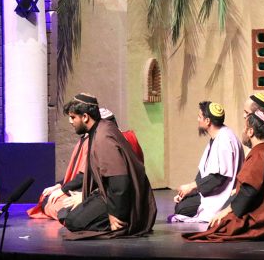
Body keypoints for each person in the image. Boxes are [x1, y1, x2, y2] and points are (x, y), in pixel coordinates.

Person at [183, 109, 264, 242]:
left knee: (221, 224)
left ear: (251, 132)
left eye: (245, 127)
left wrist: (227, 211)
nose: (243, 131)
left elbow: (249, 190)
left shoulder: (260, 153)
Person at [60, 93, 157, 239]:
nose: (70, 121)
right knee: (65, 214)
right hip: (108, 194)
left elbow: (120, 180)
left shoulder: (103, 137)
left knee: (73, 222)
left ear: (85, 117)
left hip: (121, 200)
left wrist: (115, 214)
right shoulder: (100, 129)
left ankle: (122, 224)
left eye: (73, 117)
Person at [169, 101, 244, 223]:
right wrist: (189, 190)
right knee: (182, 203)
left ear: (208, 121)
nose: (198, 120)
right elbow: (205, 170)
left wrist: (191, 187)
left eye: (200, 117)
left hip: (222, 195)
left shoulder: (224, 140)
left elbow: (218, 178)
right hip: (214, 189)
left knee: (182, 208)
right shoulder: (218, 136)